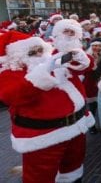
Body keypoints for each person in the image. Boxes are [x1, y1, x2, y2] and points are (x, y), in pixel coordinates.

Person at [0, 31, 95, 182]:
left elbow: (83, 68)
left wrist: (82, 58)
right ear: (18, 55)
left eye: (40, 49)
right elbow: (12, 96)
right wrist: (42, 73)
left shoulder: (51, 60)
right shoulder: (10, 72)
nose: (39, 53)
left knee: (73, 170)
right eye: (32, 51)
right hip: (44, 136)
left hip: (77, 127)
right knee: (40, 177)